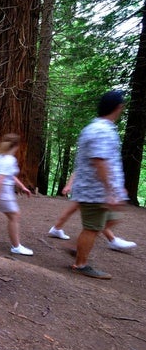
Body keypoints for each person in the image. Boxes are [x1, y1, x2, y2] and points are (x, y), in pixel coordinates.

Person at [69, 90, 129, 279]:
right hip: (95, 190)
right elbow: (99, 161)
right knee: (92, 227)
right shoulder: (101, 130)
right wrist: (111, 190)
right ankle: (80, 264)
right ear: (118, 108)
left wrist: (118, 187)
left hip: (99, 189)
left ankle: (81, 247)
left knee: (112, 218)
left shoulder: (99, 127)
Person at [48, 174, 137, 251]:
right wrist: (69, 184)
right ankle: (110, 240)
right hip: (90, 188)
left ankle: (57, 229)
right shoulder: (97, 155)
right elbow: (79, 170)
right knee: (103, 216)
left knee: (110, 216)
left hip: (92, 187)